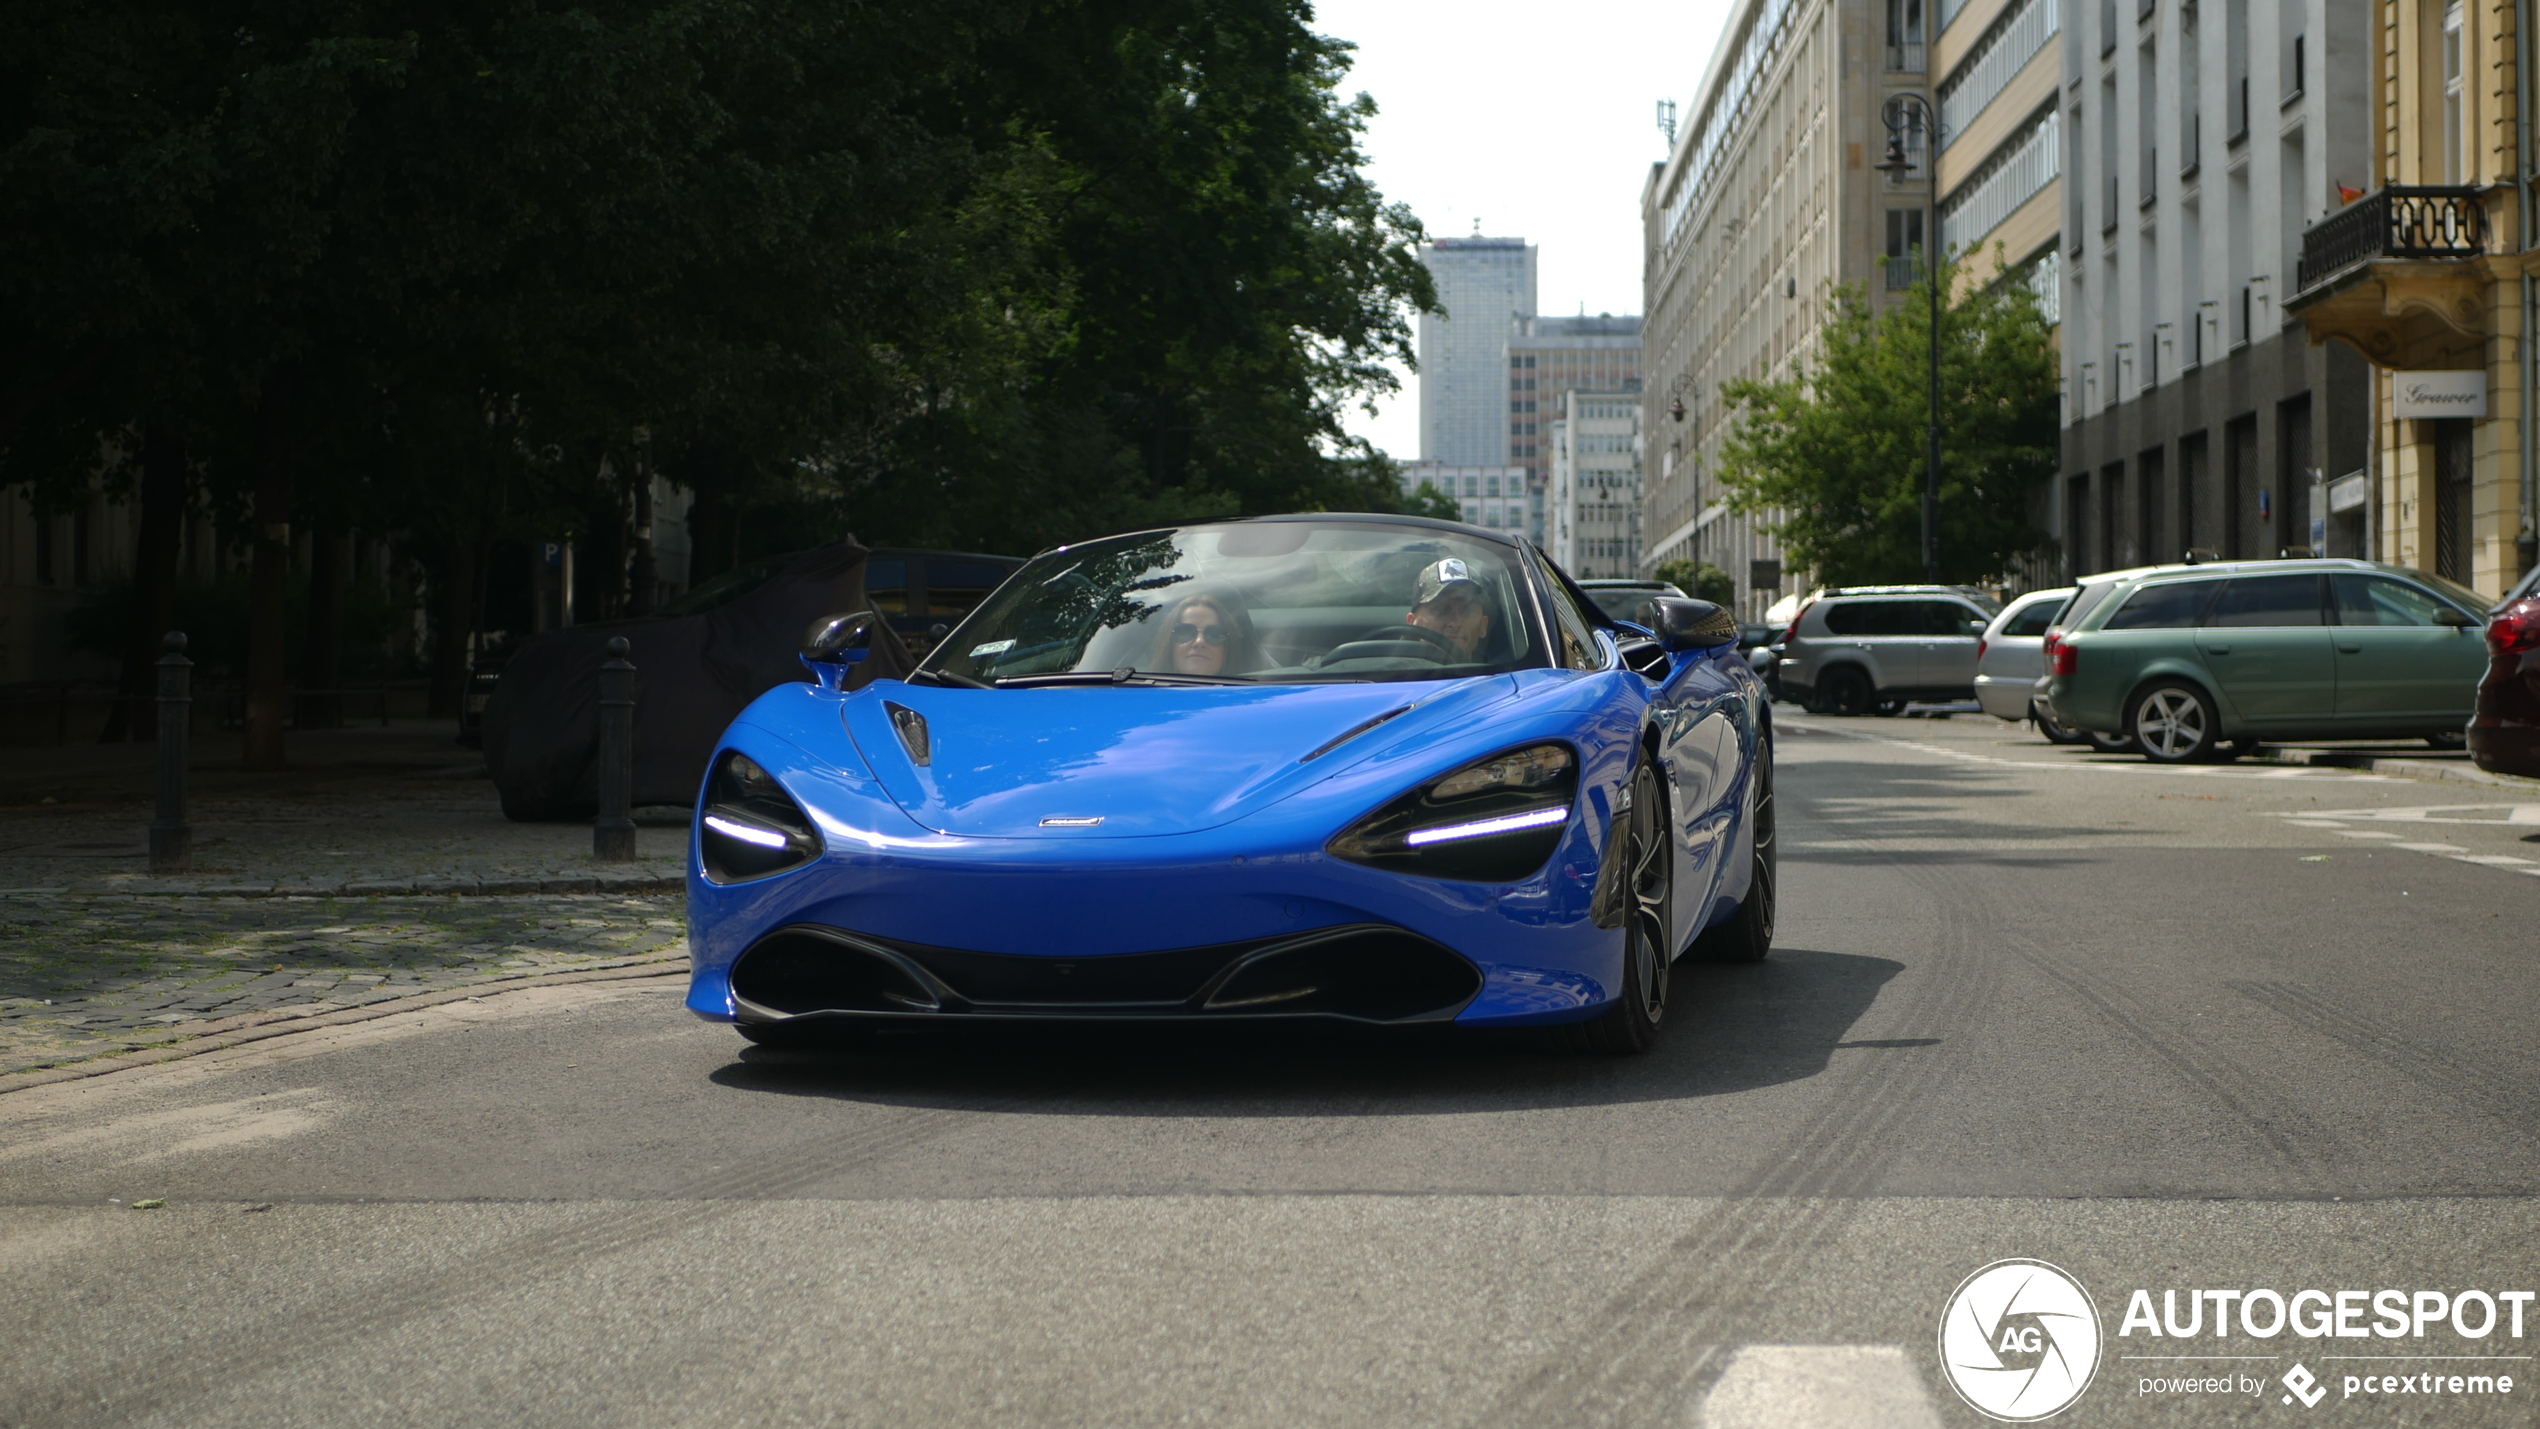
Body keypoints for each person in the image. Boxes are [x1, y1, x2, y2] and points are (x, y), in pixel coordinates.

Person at [1147, 591, 1257, 676]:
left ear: (1229, 648)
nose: (1199, 642)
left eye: (1215, 634)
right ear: (1168, 643)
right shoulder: (1140, 694)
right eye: (1185, 632)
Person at [1406, 558, 1493, 661]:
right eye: (1441, 610)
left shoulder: (1506, 673)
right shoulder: (1392, 673)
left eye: (1466, 610)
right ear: (1412, 623)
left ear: (1483, 626)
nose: (1455, 623)